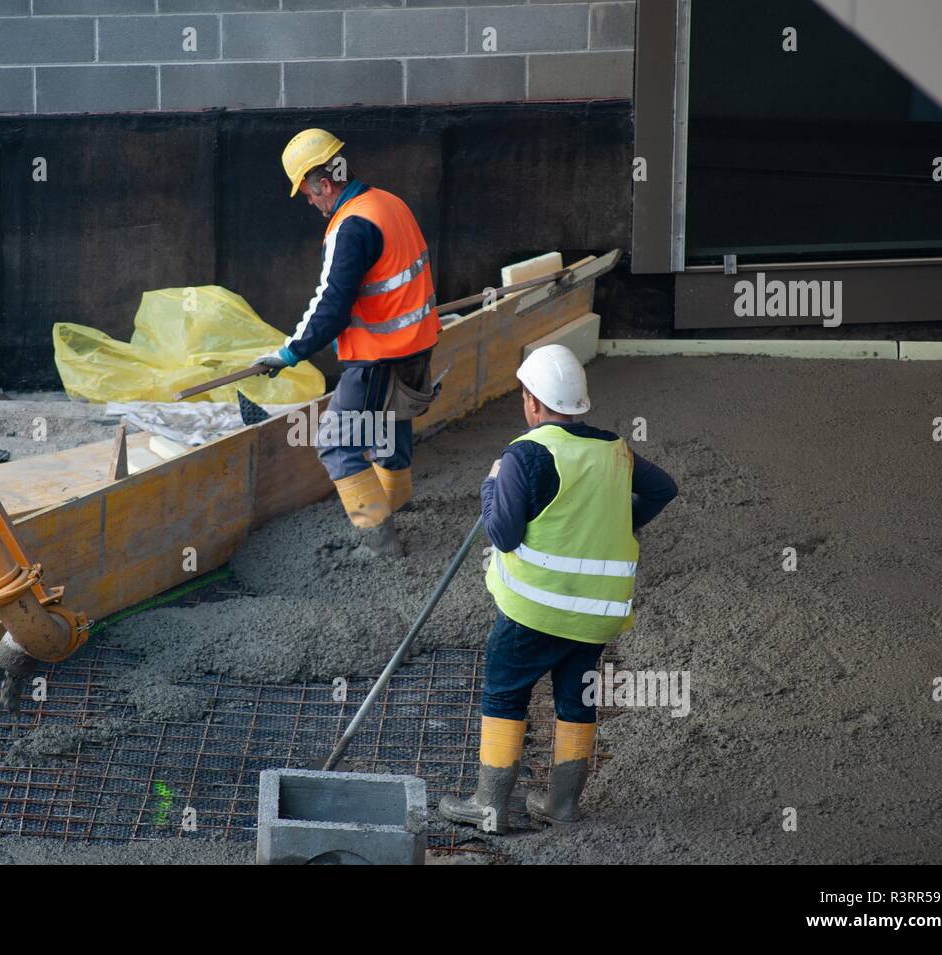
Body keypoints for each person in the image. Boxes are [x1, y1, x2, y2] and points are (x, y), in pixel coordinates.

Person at [439, 344, 678, 833]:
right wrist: (621, 522)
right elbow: (663, 489)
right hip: (595, 614)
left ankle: (488, 807)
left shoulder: (524, 455)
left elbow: (503, 534)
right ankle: (562, 804)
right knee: (577, 698)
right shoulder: (615, 447)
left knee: (505, 696)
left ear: (531, 401)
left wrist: (491, 485)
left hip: (534, 610)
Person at [256, 128, 440, 556]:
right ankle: (396, 505)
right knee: (389, 427)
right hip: (416, 344)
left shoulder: (350, 226)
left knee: (337, 442)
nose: (310, 202)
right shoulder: (388, 203)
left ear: (325, 182)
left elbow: (331, 305)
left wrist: (290, 352)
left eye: (308, 192)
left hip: (380, 356)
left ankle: (379, 542)